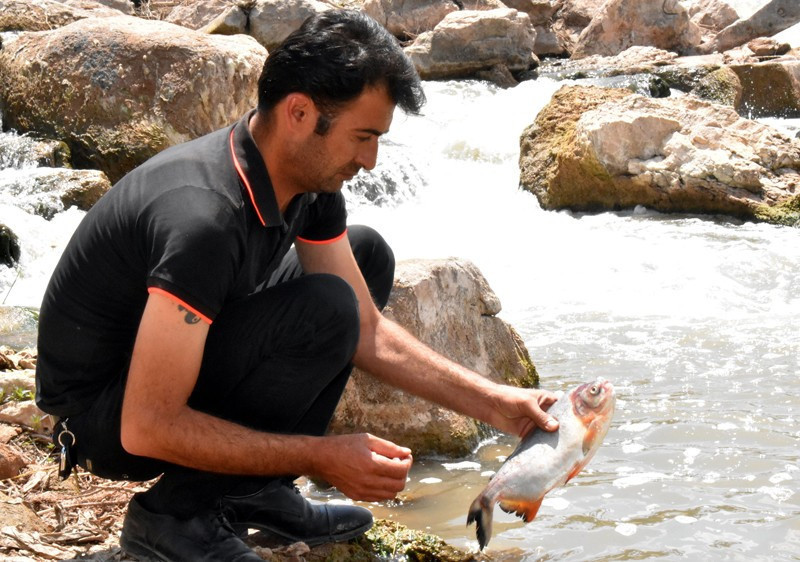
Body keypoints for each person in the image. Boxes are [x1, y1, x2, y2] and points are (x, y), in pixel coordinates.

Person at [35, 10, 559, 561]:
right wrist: (319, 455)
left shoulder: (305, 178)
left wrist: (496, 404)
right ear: (300, 112)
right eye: (363, 136)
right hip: (103, 421)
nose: (371, 160)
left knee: (365, 255)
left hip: (154, 384)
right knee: (327, 307)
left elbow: (368, 331)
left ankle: (258, 494)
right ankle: (173, 517)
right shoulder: (203, 220)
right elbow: (147, 427)